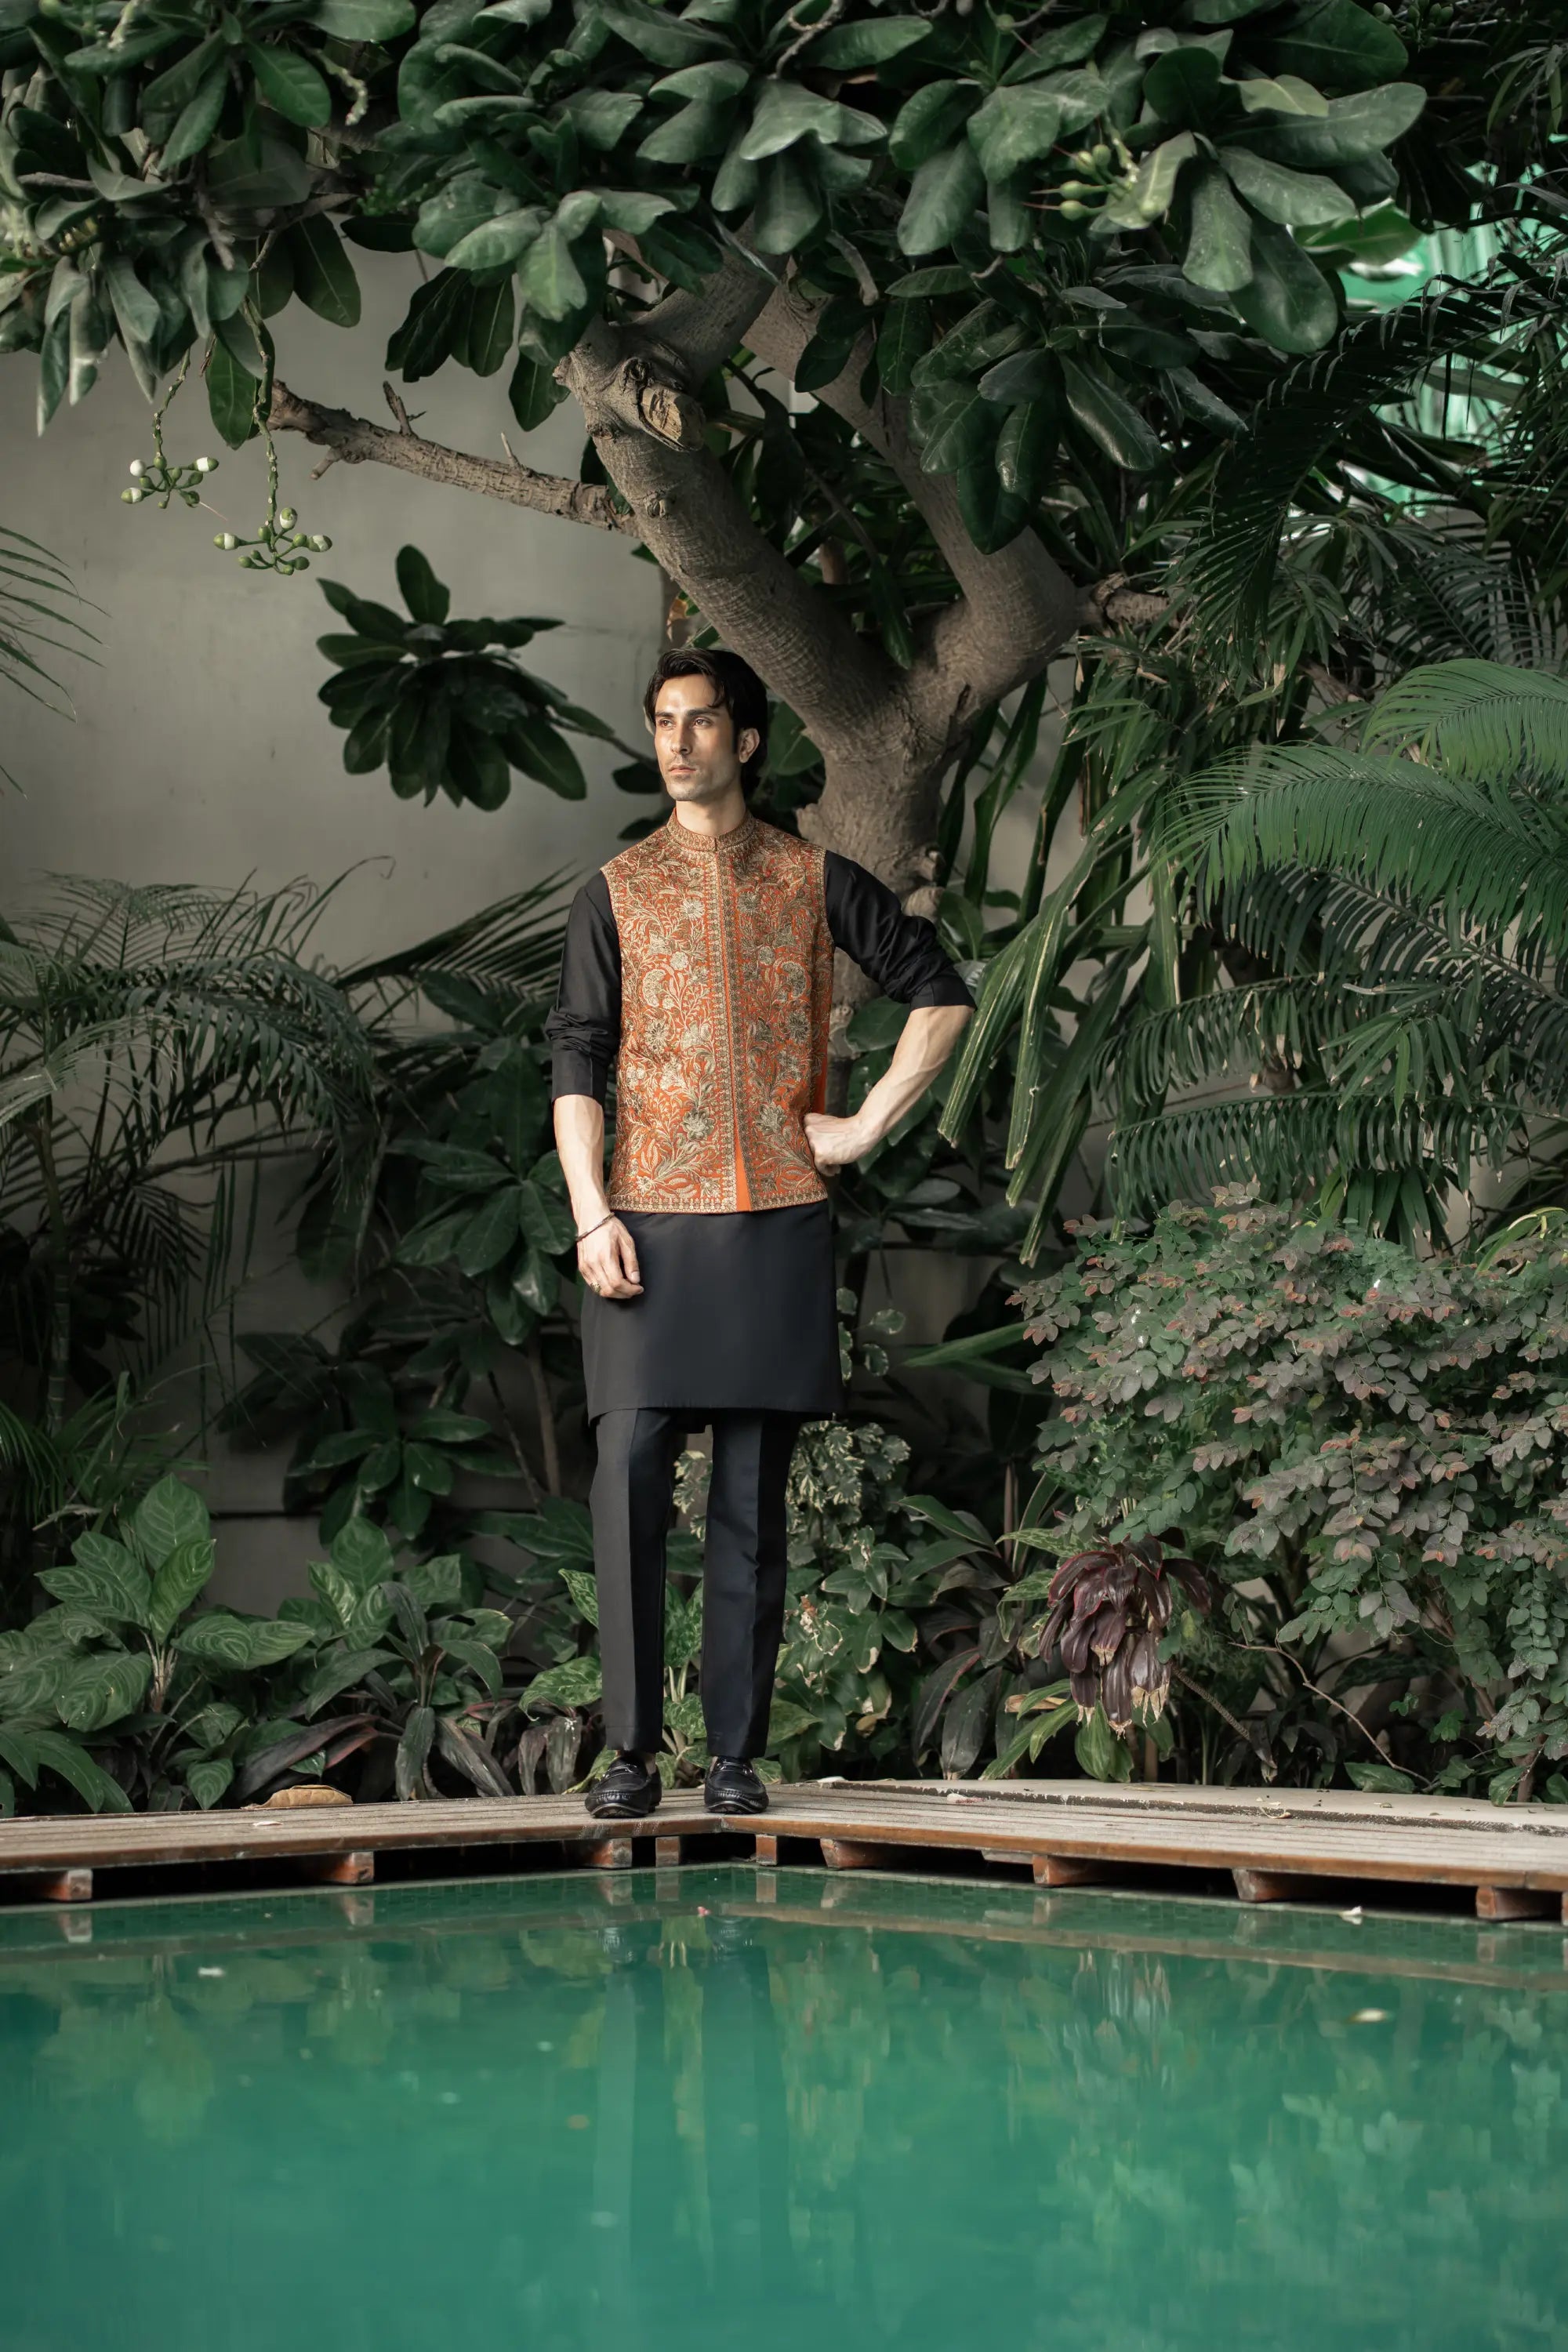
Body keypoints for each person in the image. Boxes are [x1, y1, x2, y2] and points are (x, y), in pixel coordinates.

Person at [546, 649, 973, 1820]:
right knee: (627, 1479)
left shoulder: (812, 878)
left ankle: (734, 1757)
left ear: (747, 740)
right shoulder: (616, 892)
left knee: (749, 1503)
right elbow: (579, 1054)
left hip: (773, 1220)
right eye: (663, 722)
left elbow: (939, 992)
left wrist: (868, 1124)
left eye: (702, 721)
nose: (678, 741)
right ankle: (631, 1753)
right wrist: (591, 1213)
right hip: (640, 1226)